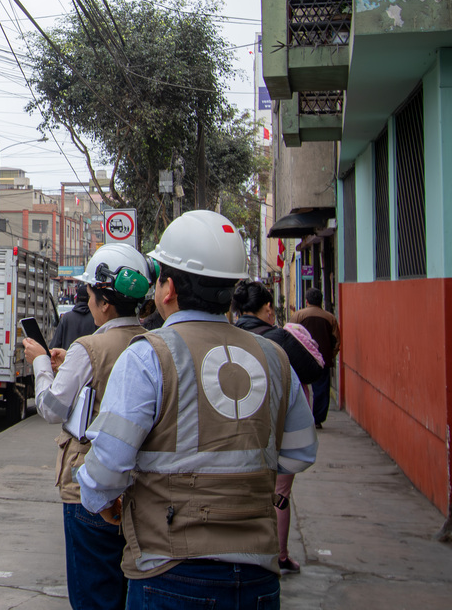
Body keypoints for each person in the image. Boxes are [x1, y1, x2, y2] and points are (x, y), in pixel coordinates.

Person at [76, 210, 318, 610]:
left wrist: (97, 497)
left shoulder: (149, 356)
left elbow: (106, 468)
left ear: (167, 288)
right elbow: (300, 453)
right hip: (258, 573)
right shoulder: (275, 357)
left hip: (170, 569)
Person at [25, 243, 153, 610]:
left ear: (105, 303)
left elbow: (51, 408)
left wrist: (40, 363)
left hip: (90, 485)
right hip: (142, 486)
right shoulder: (152, 343)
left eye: (91, 293)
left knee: (93, 595)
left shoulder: (90, 346)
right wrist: (71, 362)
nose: (89, 300)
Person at [232, 279, 324, 575]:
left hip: (237, 428)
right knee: (280, 494)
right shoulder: (279, 339)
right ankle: (279, 555)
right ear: (268, 308)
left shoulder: (228, 337)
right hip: (278, 429)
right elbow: (313, 371)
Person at [293, 288, 339, 428]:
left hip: (301, 358)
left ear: (307, 301)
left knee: (299, 388)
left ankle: (301, 418)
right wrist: (331, 354)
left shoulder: (298, 315)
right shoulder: (330, 317)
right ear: (321, 301)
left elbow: (290, 335)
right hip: (322, 359)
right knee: (321, 389)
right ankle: (318, 419)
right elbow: (336, 341)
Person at [51, 281, 98, 350]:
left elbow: (54, 346)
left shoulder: (66, 318)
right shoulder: (96, 319)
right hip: (90, 356)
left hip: (67, 355)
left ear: (76, 299)